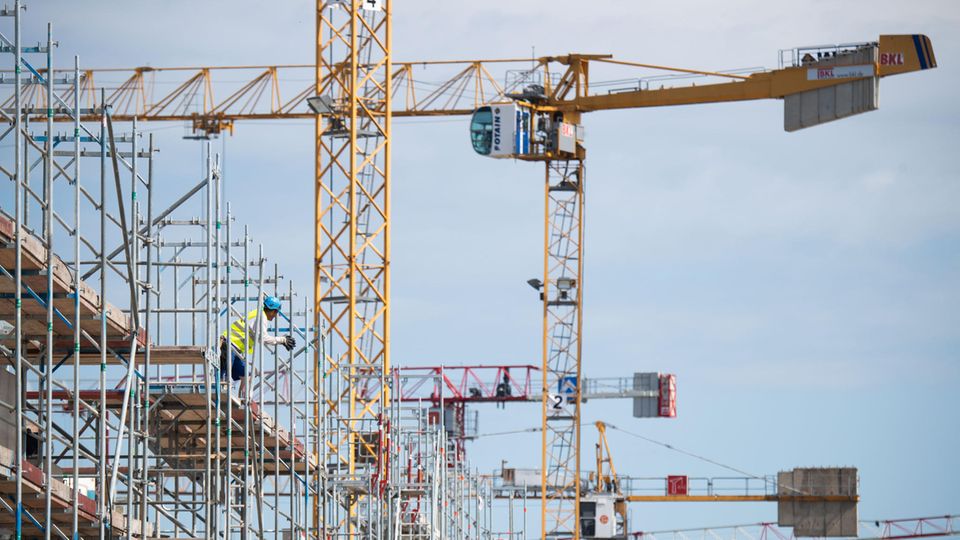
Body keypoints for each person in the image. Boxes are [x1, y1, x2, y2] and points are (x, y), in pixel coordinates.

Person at [219, 295, 295, 382]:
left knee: (245, 375)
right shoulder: (261, 317)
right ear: (272, 311)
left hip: (235, 349)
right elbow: (263, 338)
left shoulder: (259, 314)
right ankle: (220, 390)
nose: (275, 315)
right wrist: (282, 340)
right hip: (229, 345)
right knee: (223, 378)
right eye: (276, 312)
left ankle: (245, 395)